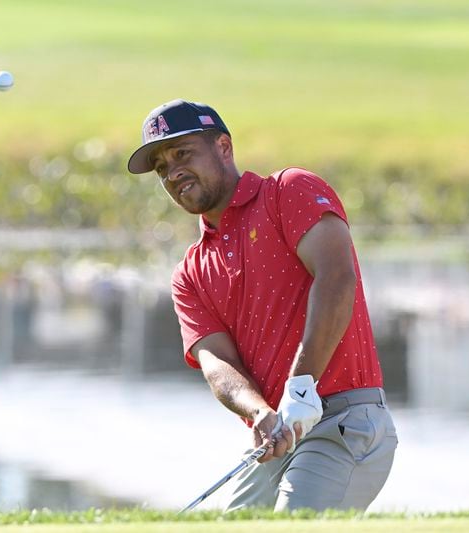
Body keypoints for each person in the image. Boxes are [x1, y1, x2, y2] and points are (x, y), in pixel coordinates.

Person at [127, 99, 398, 512]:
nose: (173, 172)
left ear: (223, 147)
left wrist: (302, 384)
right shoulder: (191, 272)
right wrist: (260, 413)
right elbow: (217, 364)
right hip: (274, 438)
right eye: (162, 167)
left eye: (182, 153)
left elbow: (337, 279)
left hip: (344, 422)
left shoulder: (288, 192)